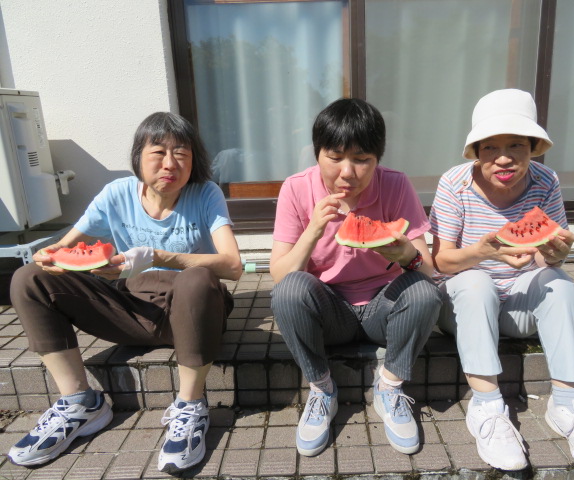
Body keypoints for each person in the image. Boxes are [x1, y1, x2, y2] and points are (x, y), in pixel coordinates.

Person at [7, 112, 242, 473]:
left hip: (192, 312)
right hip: (128, 306)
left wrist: (161, 258)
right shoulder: (116, 194)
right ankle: (79, 402)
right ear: (138, 156)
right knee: (28, 278)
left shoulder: (205, 194)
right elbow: (63, 249)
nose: (170, 163)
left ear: (194, 161)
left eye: (182, 153)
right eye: (158, 151)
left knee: (198, 278)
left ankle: (191, 405)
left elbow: (233, 266)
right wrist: (50, 256)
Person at [429, 89, 574, 472]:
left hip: (517, 307)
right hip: (463, 310)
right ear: (476, 151)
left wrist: (556, 254)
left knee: (560, 282)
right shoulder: (455, 184)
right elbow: (440, 261)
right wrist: (482, 253)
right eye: (490, 147)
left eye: (516, 144)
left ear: (533, 147)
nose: (503, 157)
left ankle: (568, 405)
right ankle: (487, 409)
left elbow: (551, 246)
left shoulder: (546, 181)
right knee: (474, 282)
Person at [270, 98, 442, 456]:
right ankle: (322, 389)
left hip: (384, 308)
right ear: (317, 154)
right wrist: (314, 230)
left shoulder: (395, 185)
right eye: (335, 157)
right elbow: (279, 274)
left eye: (362, 159)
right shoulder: (296, 188)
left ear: (378, 158)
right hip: (329, 311)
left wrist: (406, 256)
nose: (348, 172)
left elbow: (428, 269)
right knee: (289, 291)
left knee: (424, 292)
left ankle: (390, 388)